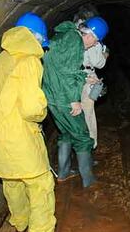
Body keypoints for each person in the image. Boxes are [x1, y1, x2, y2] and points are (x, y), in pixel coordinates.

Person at [0, 12, 55, 232]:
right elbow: (32, 107)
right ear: (35, 37)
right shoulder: (29, 60)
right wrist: (43, 111)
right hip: (19, 138)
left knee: (12, 183)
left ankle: (19, 225)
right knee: (41, 185)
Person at [42, 17, 109, 188]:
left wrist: (86, 77)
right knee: (82, 136)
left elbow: (59, 68)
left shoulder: (66, 36)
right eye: (95, 40)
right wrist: (74, 101)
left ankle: (63, 173)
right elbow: (67, 73)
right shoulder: (75, 42)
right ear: (90, 35)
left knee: (65, 133)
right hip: (64, 97)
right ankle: (89, 180)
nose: (94, 45)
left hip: (53, 95)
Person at [79, 17, 109, 149]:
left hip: (77, 77)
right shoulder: (92, 43)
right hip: (85, 77)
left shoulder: (74, 36)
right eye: (96, 40)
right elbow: (99, 63)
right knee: (88, 114)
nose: (96, 42)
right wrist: (105, 53)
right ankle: (90, 146)